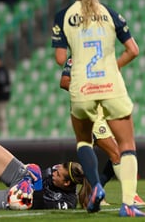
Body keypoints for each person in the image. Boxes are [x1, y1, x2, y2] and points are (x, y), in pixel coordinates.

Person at [51, 0, 144, 216]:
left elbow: (61, 58)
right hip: (111, 85)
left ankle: (96, 188)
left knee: (84, 141)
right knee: (126, 145)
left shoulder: (63, 16)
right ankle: (128, 204)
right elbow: (133, 50)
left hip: (82, 89)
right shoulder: (110, 13)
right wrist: (112, 66)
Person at [60, 56, 145, 207]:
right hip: (90, 115)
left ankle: (91, 194)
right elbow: (64, 82)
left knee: (118, 153)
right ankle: (130, 197)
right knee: (117, 153)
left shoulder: (101, 57)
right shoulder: (75, 58)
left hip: (104, 113)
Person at [0, 139, 89, 210]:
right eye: (56, 169)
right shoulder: (54, 173)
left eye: (58, 173)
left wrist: (34, 186)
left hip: (21, 198)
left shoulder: (68, 203)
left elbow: (39, 205)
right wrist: (29, 175)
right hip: (23, 181)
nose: (53, 172)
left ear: (66, 183)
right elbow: (36, 174)